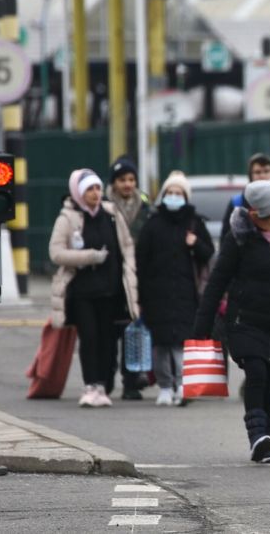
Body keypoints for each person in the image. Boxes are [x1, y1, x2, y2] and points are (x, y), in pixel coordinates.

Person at [194, 180, 270, 463]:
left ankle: (264, 440)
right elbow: (217, 282)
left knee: (269, 380)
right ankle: (257, 436)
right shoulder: (239, 238)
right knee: (256, 371)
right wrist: (201, 328)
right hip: (245, 322)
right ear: (269, 209)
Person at [48, 168, 140, 408]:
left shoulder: (110, 214)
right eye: (89, 189)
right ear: (78, 192)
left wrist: (129, 270)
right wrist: (89, 257)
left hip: (109, 289)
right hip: (82, 291)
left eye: (98, 188)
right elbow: (56, 252)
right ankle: (90, 385)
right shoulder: (68, 218)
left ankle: (103, 385)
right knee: (88, 338)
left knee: (107, 339)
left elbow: (126, 244)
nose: (95, 193)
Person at [136, 171, 215, 407]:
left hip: (186, 294)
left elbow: (209, 254)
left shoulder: (194, 223)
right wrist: (141, 295)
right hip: (157, 294)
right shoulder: (153, 224)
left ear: (186, 196)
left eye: (178, 193)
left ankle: (183, 384)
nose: (173, 196)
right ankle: (164, 386)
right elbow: (141, 260)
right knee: (160, 345)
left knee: (182, 343)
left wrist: (195, 244)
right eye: (169, 192)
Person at [106, 155, 153, 400]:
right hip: (111, 277)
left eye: (131, 179)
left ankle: (131, 381)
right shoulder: (103, 207)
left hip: (138, 278)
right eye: (122, 179)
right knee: (108, 333)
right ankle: (105, 378)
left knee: (134, 331)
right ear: (114, 182)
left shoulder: (145, 209)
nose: (127, 184)